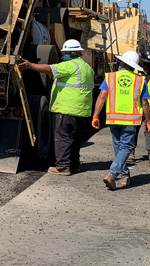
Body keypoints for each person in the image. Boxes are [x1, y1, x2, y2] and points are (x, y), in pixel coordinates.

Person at [18, 39, 95, 176]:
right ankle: (74, 165)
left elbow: (49, 69)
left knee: (62, 137)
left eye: (65, 53)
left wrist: (30, 65)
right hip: (82, 111)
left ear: (71, 53)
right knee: (74, 138)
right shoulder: (87, 67)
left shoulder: (70, 65)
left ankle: (63, 167)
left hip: (67, 108)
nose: (62, 56)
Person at [91, 51, 150, 190]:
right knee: (126, 148)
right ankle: (112, 174)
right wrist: (148, 121)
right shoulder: (140, 80)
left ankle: (124, 175)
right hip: (130, 120)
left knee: (119, 147)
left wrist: (95, 115)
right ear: (134, 66)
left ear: (122, 63)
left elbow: (101, 97)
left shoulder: (111, 77)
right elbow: (145, 103)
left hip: (113, 119)